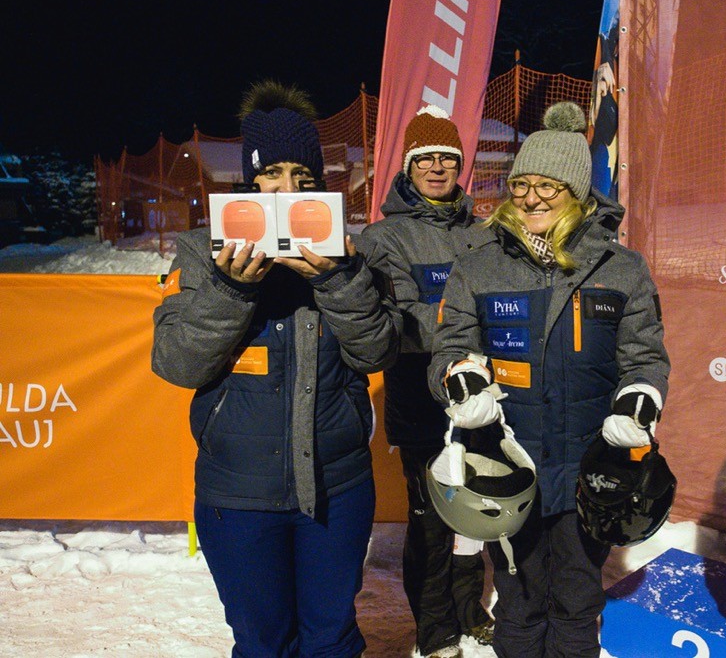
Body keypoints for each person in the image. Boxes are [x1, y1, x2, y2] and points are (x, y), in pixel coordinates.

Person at [151, 80, 401, 658]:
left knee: (331, 639)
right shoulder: (202, 252)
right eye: (272, 174)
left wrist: (338, 281)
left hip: (336, 488)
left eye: (302, 177)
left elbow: (377, 352)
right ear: (249, 180)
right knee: (263, 642)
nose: (287, 189)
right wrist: (231, 290)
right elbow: (178, 362)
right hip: (237, 493)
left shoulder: (350, 254)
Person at [428, 101, 670, 657]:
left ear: (577, 194)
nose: (531, 198)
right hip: (509, 466)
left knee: (578, 599)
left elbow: (644, 357)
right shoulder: (478, 264)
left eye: (548, 186)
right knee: (518, 600)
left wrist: (638, 400)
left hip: (590, 468)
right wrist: (461, 380)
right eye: (521, 185)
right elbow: (451, 346)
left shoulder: (621, 268)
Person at [356, 105, 495, 658]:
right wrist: (469, 324)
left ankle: (469, 607)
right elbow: (395, 322)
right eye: (425, 159)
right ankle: (435, 631)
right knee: (433, 519)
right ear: (408, 167)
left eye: (447, 159)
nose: (437, 168)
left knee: (475, 511)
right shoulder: (383, 238)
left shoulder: (482, 233)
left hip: (481, 395)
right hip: (421, 398)